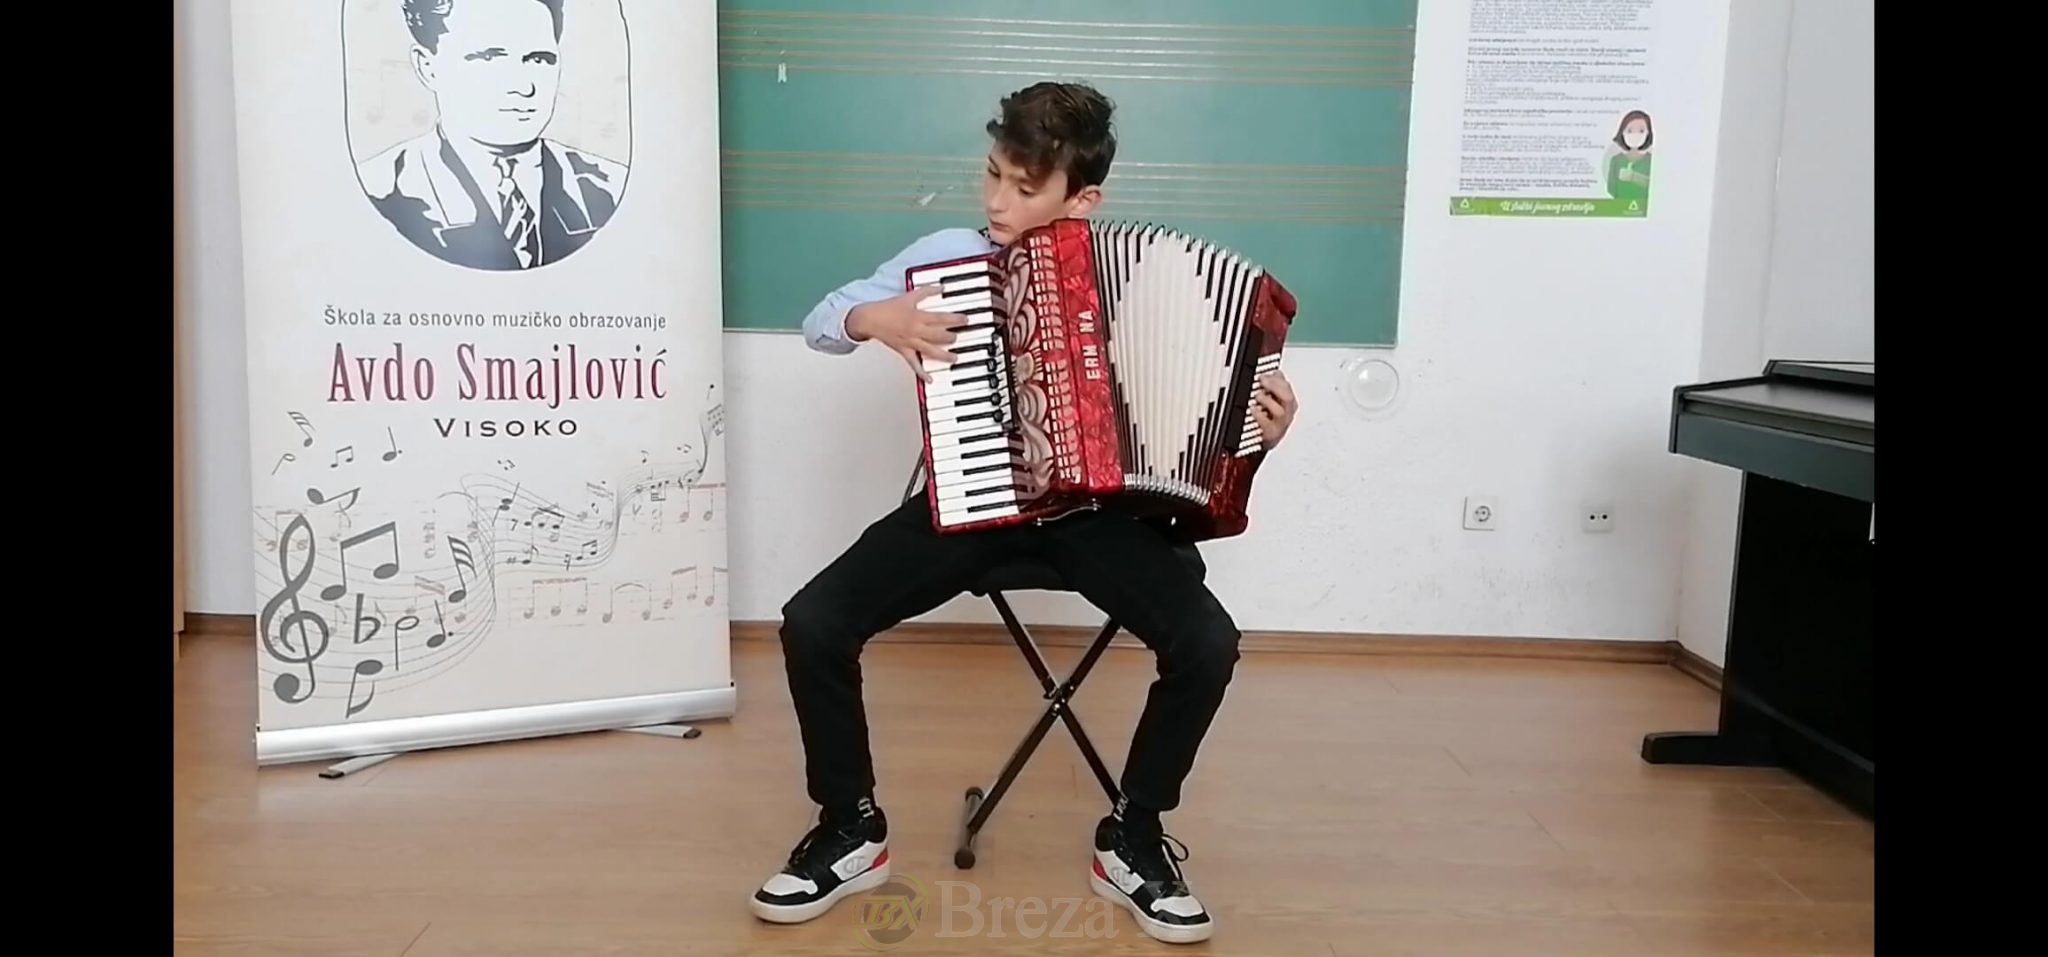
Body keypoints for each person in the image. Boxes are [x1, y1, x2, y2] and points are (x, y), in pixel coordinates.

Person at [749, 80, 1300, 945]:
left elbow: (1212, 411)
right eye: (993, 176)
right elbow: (822, 320)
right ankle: (850, 826)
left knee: (1208, 643)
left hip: (1096, 519)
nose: (999, 202)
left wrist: (1260, 426)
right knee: (813, 621)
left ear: (1083, 200)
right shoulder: (948, 255)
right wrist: (874, 315)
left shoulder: (1141, 282)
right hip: (973, 501)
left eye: (1025, 187)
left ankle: (1135, 834)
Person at [356, 0, 628, 271]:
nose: (523, 87)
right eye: (488, 58)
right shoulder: (378, 192)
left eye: (539, 59)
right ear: (428, 67)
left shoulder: (612, 190)